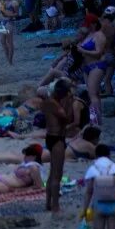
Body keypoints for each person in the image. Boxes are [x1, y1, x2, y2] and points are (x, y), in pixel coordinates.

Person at [41, 79, 74, 213]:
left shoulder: (47, 102)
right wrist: (69, 102)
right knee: (57, 175)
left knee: (51, 172)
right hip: (57, 138)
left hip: (50, 137)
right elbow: (68, 119)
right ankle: (55, 206)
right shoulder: (57, 106)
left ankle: (48, 203)